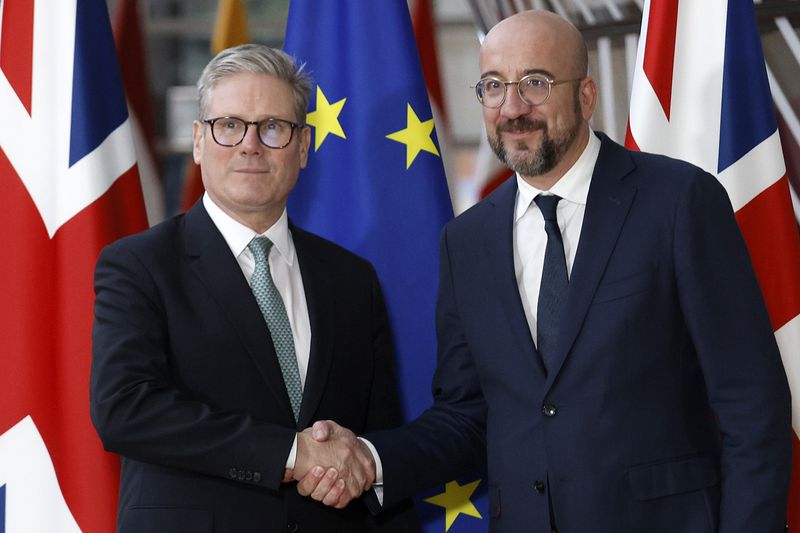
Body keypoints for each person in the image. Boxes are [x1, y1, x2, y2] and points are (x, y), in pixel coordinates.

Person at [296, 10, 793, 533]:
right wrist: (371, 460)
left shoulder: (677, 202)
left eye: (535, 82)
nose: (512, 108)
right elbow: (467, 416)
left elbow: (752, 406)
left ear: (586, 94)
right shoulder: (467, 241)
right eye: (493, 86)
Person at [90, 43, 419, 533]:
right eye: (229, 126)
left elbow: (376, 441)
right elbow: (124, 408)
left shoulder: (352, 279)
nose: (250, 145)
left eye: (273, 127)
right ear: (198, 141)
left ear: (303, 147)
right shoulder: (139, 265)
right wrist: (291, 453)